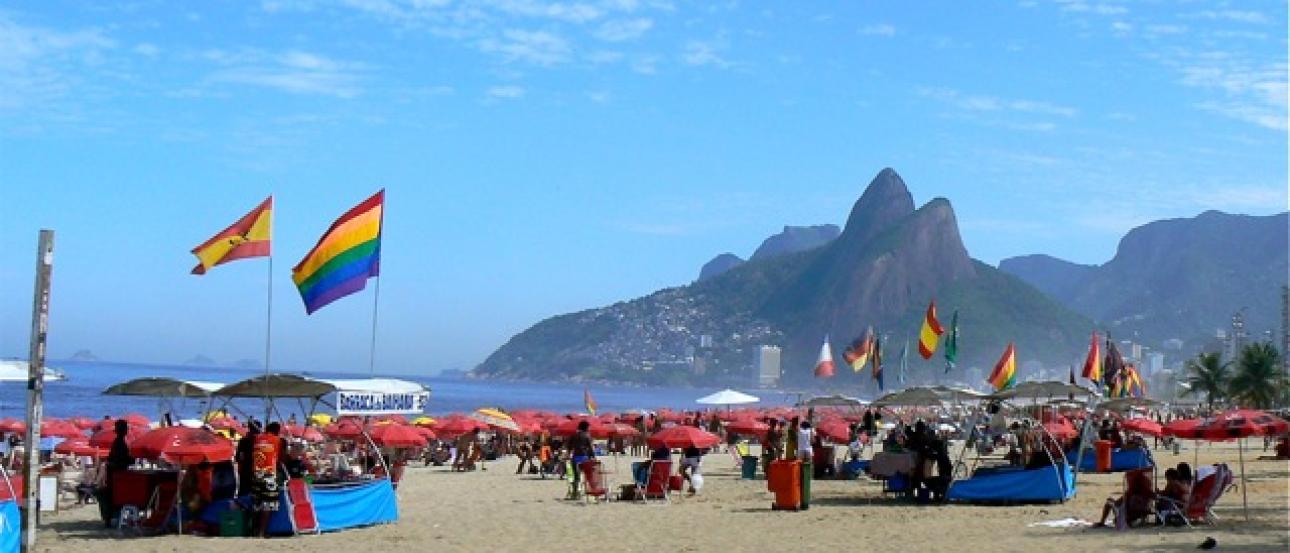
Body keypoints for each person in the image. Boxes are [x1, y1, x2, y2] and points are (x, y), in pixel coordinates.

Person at [97, 419, 134, 527]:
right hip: (117, 474)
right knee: (111, 496)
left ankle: (109, 518)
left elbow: (114, 458)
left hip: (116, 474)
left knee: (110, 496)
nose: (126, 430)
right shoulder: (121, 443)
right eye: (125, 428)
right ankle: (109, 518)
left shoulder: (119, 442)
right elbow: (124, 460)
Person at [251, 422, 284, 538]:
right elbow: (279, 457)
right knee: (268, 505)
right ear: (277, 431)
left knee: (257, 504)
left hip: (256, 474)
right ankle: (262, 532)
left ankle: (254, 531)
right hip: (268, 474)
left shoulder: (257, 439)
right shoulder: (276, 440)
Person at [565, 421, 595, 498]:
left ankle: (575, 492)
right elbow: (591, 448)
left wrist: (568, 455)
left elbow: (569, 446)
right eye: (588, 427)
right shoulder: (587, 436)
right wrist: (593, 457)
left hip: (575, 457)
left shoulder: (574, 435)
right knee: (589, 474)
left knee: (576, 476)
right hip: (584, 458)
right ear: (585, 427)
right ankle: (592, 490)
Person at [235, 421, 262, 496]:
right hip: (259, 472)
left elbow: (238, 458)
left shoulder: (243, 441)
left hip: (245, 471)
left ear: (249, 429)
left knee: (243, 495)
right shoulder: (263, 442)